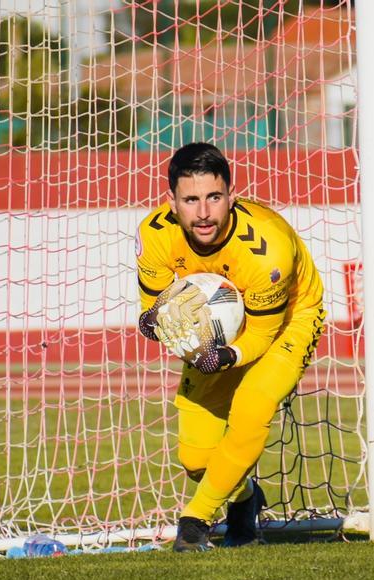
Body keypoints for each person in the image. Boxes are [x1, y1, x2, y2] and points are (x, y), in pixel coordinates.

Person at [136, 143, 326, 552]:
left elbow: (258, 337)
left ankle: (195, 523)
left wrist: (226, 356)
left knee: (253, 404)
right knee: (196, 460)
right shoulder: (154, 235)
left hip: (287, 320)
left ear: (231, 197)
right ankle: (245, 499)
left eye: (214, 197)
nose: (203, 212)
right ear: (172, 203)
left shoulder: (267, 252)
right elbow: (154, 306)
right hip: (216, 333)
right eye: (191, 199)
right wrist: (156, 321)